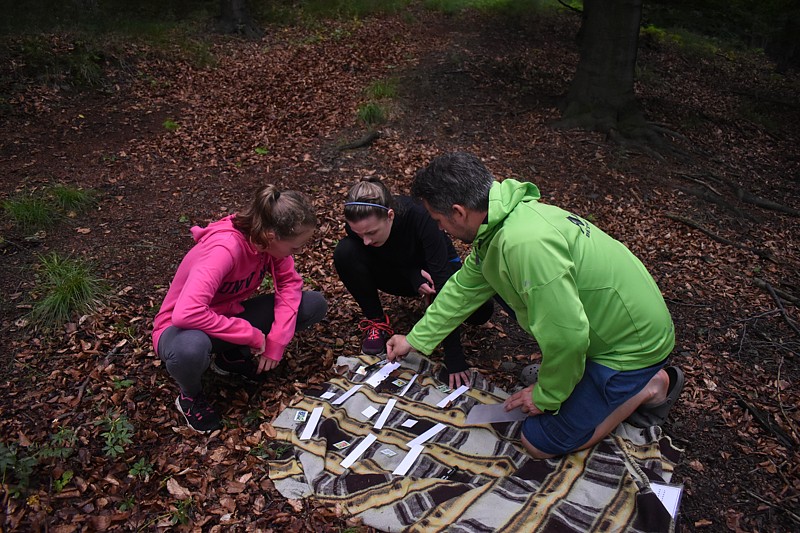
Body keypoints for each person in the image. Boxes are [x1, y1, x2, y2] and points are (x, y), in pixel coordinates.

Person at [387, 152, 683, 459]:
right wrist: (415, 339)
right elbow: (463, 289)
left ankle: (649, 386)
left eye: (438, 220)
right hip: (608, 325)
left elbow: (568, 337)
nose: (439, 229)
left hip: (630, 348)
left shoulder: (523, 245)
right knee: (507, 295)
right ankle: (580, 378)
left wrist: (547, 396)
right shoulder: (500, 223)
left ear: (458, 212)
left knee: (539, 442)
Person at [152, 185, 328, 434]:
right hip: (179, 329)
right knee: (189, 349)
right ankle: (190, 396)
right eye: (295, 248)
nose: (297, 253)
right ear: (270, 237)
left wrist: (277, 341)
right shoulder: (224, 249)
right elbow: (187, 313)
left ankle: (230, 359)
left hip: (224, 318)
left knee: (312, 304)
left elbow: (289, 285)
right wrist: (251, 335)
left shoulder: (266, 241)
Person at [333, 177, 494, 388]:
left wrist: (453, 356)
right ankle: (376, 322)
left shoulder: (420, 216)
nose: (366, 241)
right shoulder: (358, 224)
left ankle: (435, 309)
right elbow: (372, 253)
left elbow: (442, 277)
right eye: (359, 234)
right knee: (345, 252)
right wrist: (410, 273)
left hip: (435, 272)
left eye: (372, 233)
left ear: (390, 215)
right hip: (403, 274)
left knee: (482, 312)